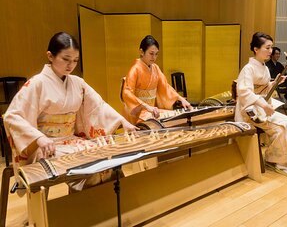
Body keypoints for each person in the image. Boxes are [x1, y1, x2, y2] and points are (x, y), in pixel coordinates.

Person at [4, 32, 138, 193]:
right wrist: (39, 138)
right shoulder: (36, 83)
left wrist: (123, 121)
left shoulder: (77, 83)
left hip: (71, 139)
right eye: (66, 59)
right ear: (50, 56)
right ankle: (80, 210)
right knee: (87, 165)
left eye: (75, 60)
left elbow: (98, 105)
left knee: (108, 160)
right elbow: (13, 116)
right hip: (47, 145)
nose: (71, 65)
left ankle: (108, 209)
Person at [235, 32, 287, 177]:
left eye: (271, 47)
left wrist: (275, 82)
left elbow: (265, 89)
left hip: (262, 108)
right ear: (256, 49)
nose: (270, 51)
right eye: (267, 48)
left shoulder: (265, 68)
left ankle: (279, 161)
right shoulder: (248, 69)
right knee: (283, 128)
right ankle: (277, 162)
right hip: (250, 111)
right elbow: (244, 93)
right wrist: (264, 105)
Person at [122, 35, 192, 124]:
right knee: (159, 123)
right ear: (141, 52)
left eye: (156, 54)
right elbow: (127, 93)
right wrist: (146, 106)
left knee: (176, 117)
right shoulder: (135, 69)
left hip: (152, 110)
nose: (154, 57)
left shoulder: (155, 68)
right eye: (151, 53)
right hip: (138, 112)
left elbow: (165, 87)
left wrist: (181, 98)